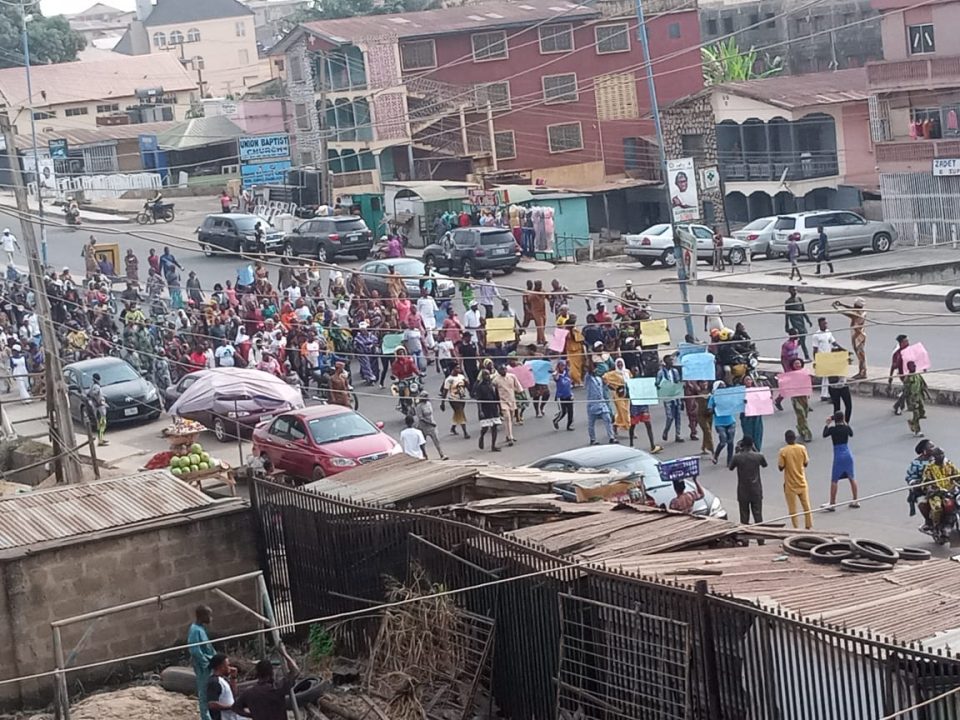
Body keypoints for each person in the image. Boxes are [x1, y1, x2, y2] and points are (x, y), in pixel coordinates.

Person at [233, 652, 300, 720]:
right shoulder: (277, 688)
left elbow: (235, 708)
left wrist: (252, 715)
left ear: (257, 673)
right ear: (271, 672)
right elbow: (295, 671)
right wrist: (284, 653)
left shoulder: (249, 693)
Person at [728, 436, 767, 542]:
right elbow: (764, 464)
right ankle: (761, 539)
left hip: (743, 491)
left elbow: (731, 467)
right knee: (758, 515)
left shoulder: (737, 457)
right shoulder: (758, 456)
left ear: (742, 445)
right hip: (756, 490)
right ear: (752, 444)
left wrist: (737, 452)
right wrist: (755, 450)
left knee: (744, 517)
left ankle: (745, 540)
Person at [822, 411, 859, 510]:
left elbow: (824, 434)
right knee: (851, 477)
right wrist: (845, 423)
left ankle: (832, 503)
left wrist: (827, 424)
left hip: (838, 455)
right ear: (842, 419)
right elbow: (851, 433)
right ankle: (855, 500)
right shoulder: (846, 428)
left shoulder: (833, 429)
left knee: (834, 480)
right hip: (848, 454)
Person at [778, 430, 813, 529]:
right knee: (806, 506)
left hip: (790, 484)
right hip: (802, 481)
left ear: (786, 439)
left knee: (793, 509)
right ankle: (808, 526)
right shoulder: (802, 448)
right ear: (795, 438)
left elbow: (781, 467)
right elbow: (806, 463)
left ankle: (796, 527)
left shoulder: (783, 451)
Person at [921, 448, 960, 531]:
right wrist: (931, 489)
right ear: (934, 456)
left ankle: (950, 522)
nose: (941, 456)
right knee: (937, 507)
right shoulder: (929, 468)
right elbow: (926, 482)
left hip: (951, 490)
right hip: (937, 493)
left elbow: (957, 475)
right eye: (938, 455)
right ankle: (936, 526)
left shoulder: (949, 464)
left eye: (942, 454)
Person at [188, 606, 216, 720]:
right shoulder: (195, 630)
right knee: (204, 693)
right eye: (209, 615)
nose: (211, 618)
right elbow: (195, 650)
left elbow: (208, 647)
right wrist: (206, 663)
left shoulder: (201, 629)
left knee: (211, 692)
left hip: (210, 665)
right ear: (202, 616)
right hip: (203, 667)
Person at [833, 298, 867, 379]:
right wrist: (842, 304)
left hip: (857, 336)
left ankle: (862, 372)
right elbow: (852, 308)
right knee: (860, 354)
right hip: (860, 334)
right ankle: (862, 371)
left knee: (860, 355)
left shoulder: (857, 315)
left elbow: (846, 313)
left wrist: (836, 307)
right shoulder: (863, 311)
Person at [810, 317, 841, 401]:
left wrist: (842, 349)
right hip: (822, 357)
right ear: (819, 324)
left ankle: (824, 394)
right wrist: (815, 361)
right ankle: (828, 394)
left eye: (826, 323)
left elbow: (833, 342)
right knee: (827, 376)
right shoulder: (816, 335)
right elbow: (815, 349)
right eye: (824, 324)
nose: (825, 325)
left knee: (826, 377)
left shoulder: (828, 332)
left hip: (829, 356)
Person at [492, 364, 523, 446]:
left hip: (512, 400)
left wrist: (518, 392)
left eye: (504, 369)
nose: (503, 371)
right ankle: (510, 437)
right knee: (507, 418)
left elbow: (519, 388)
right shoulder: (496, 380)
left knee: (511, 418)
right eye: (501, 370)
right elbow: (493, 390)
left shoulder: (512, 377)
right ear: (498, 371)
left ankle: (508, 434)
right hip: (503, 402)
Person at [708, 380, 736, 466]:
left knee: (730, 441)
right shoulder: (713, 397)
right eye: (720, 387)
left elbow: (735, 404)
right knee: (723, 441)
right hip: (720, 423)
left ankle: (730, 460)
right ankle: (716, 455)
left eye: (724, 386)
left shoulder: (729, 396)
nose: (723, 388)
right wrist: (714, 408)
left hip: (730, 421)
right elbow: (709, 410)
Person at [585, 369, 616, 445]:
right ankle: (593, 439)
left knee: (608, 419)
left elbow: (606, 386)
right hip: (592, 404)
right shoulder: (588, 379)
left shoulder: (599, 379)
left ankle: (611, 437)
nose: (595, 370)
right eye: (594, 369)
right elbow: (589, 370)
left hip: (602, 403)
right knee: (591, 423)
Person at [475, 370, 502, 452]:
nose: (487, 376)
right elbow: (478, 400)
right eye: (485, 374)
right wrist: (480, 411)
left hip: (493, 408)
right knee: (485, 428)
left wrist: (499, 408)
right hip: (485, 408)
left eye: (488, 374)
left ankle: (493, 445)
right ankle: (481, 437)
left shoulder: (492, 385)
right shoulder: (479, 386)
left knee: (494, 427)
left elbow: (496, 398)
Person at [440, 364, 470, 438]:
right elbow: (445, 391)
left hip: (462, 398)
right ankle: (465, 432)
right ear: (453, 369)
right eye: (457, 368)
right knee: (460, 413)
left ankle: (453, 428)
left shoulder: (461, 376)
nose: (459, 369)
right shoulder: (449, 380)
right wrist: (442, 403)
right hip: (453, 399)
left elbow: (467, 386)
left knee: (458, 414)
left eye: (459, 368)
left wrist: (467, 383)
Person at [206, 653, 239, 720]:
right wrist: (231, 707)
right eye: (228, 665)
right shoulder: (214, 682)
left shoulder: (223, 680)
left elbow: (234, 694)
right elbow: (212, 704)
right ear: (221, 666)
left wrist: (233, 677)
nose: (230, 667)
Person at [416, 392, 447, 460]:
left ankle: (441, 454)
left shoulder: (428, 404)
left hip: (432, 425)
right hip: (423, 426)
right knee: (422, 442)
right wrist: (430, 423)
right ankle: (425, 455)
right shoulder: (419, 406)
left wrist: (432, 422)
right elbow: (421, 418)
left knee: (436, 440)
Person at [903, 360, 929, 437]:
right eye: (912, 366)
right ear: (909, 368)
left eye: (914, 365)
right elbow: (906, 390)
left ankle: (912, 421)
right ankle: (917, 430)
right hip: (912, 398)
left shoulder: (918, 376)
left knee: (922, 412)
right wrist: (907, 401)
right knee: (916, 413)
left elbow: (923, 385)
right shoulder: (908, 378)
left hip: (919, 396)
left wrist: (928, 395)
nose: (914, 366)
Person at [784, 286, 812, 361]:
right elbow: (787, 314)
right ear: (790, 291)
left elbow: (803, 311)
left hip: (801, 321)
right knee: (802, 339)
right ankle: (807, 356)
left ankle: (792, 348)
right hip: (794, 321)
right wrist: (786, 325)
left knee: (803, 337)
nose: (795, 291)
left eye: (796, 290)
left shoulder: (799, 299)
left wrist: (808, 320)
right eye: (793, 290)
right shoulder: (788, 302)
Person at [889, 334, 910, 416]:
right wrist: (890, 377)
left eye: (908, 341)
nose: (908, 343)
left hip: (911, 373)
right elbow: (893, 366)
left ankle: (901, 404)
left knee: (908, 390)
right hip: (903, 375)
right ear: (901, 343)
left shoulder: (909, 350)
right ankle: (897, 406)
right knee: (907, 390)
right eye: (906, 341)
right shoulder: (898, 354)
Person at [87, 372, 108, 446]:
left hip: (97, 407)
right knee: (102, 424)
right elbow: (93, 394)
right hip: (99, 407)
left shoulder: (92, 386)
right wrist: (99, 401)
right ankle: (100, 440)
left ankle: (101, 439)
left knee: (101, 424)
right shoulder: (96, 387)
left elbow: (89, 394)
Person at [552, 360, 574, 431]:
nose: (563, 367)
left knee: (571, 411)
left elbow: (569, 367)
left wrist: (568, 363)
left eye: (564, 365)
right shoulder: (557, 374)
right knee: (563, 412)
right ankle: (555, 421)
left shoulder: (566, 373)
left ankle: (569, 425)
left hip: (568, 395)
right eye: (561, 365)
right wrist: (557, 371)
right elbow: (556, 378)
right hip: (560, 396)